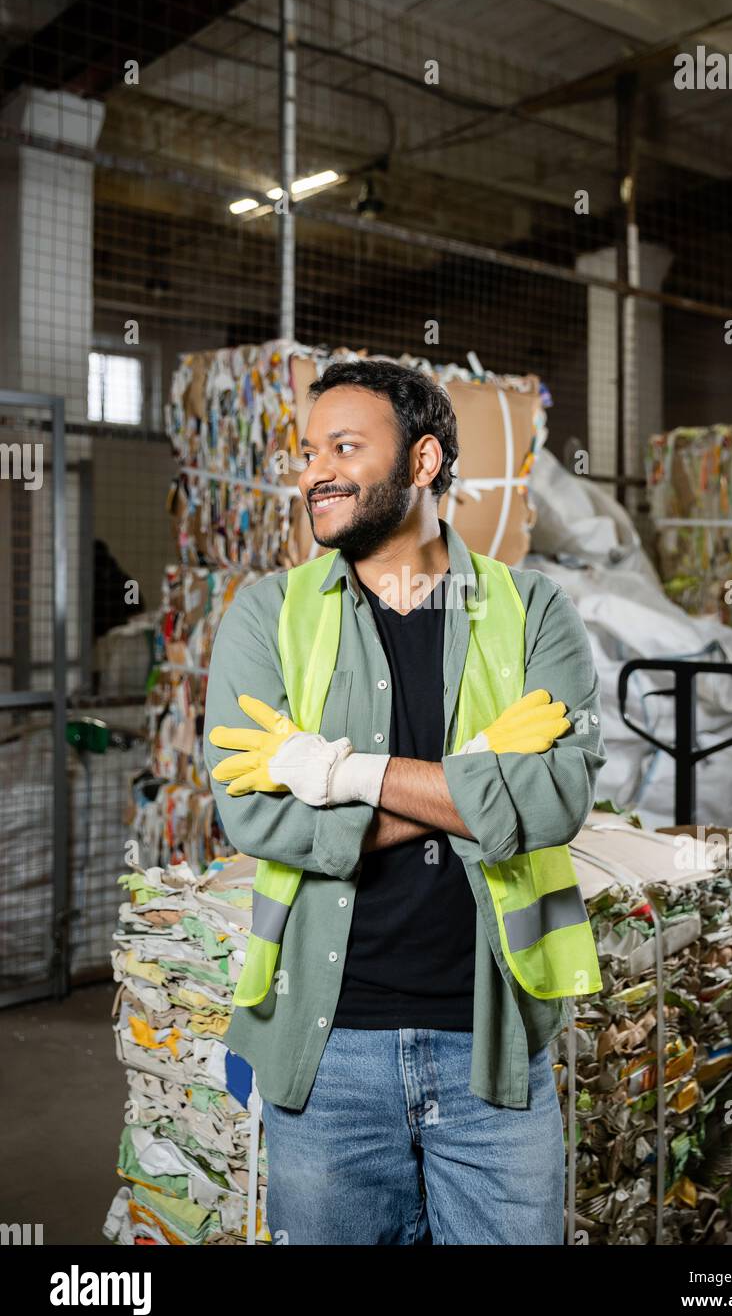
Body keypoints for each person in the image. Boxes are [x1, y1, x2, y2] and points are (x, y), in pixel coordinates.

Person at [204, 358, 606, 1245]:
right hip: (329, 1047)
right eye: (308, 451)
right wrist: (470, 784)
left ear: (423, 462)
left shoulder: (532, 610)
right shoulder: (265, 617)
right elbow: (259, 817)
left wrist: (340, 774)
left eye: (345, 447)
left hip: (492, 1044)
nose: (315, 471)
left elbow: (553, 802)